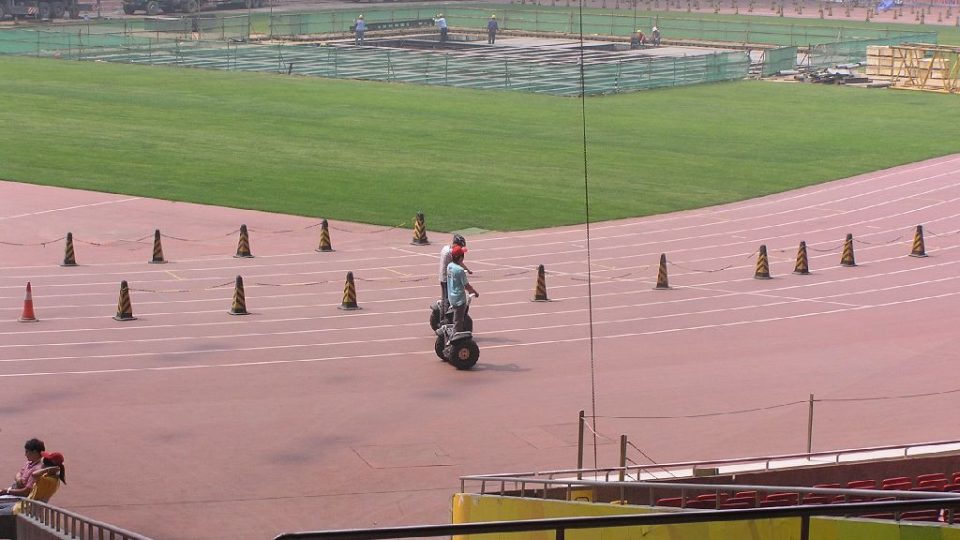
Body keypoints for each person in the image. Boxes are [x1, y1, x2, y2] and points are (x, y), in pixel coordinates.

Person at [0, 438, 45, 514]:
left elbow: (26, 492)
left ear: (34, 452)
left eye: (27, 452)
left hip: (21, 498)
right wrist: (18, 479)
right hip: (15, 491)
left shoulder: (37, 470)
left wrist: (7, 491)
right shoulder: (29, 463)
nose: (25, 454)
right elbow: (19, 473)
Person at [446, 244, 478, 335]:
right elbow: (466, 285)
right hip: (459, 299)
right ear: (460, 258)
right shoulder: (459, 270)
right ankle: (456, 338)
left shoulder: (449, 266)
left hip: (451, 296)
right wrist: (475, 292)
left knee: (456, 318)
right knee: (458, 321)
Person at [439, 234, 471, 318]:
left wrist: (467, 269)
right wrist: (465, 270)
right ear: (456, 244)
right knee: (446, 300)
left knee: (446, 298)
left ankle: (446, 317)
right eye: (460, 246)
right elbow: (458, 263)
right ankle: (444, 320)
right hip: (446, 279)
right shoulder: (450, 253)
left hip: (444, 277)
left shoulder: (445, 248)